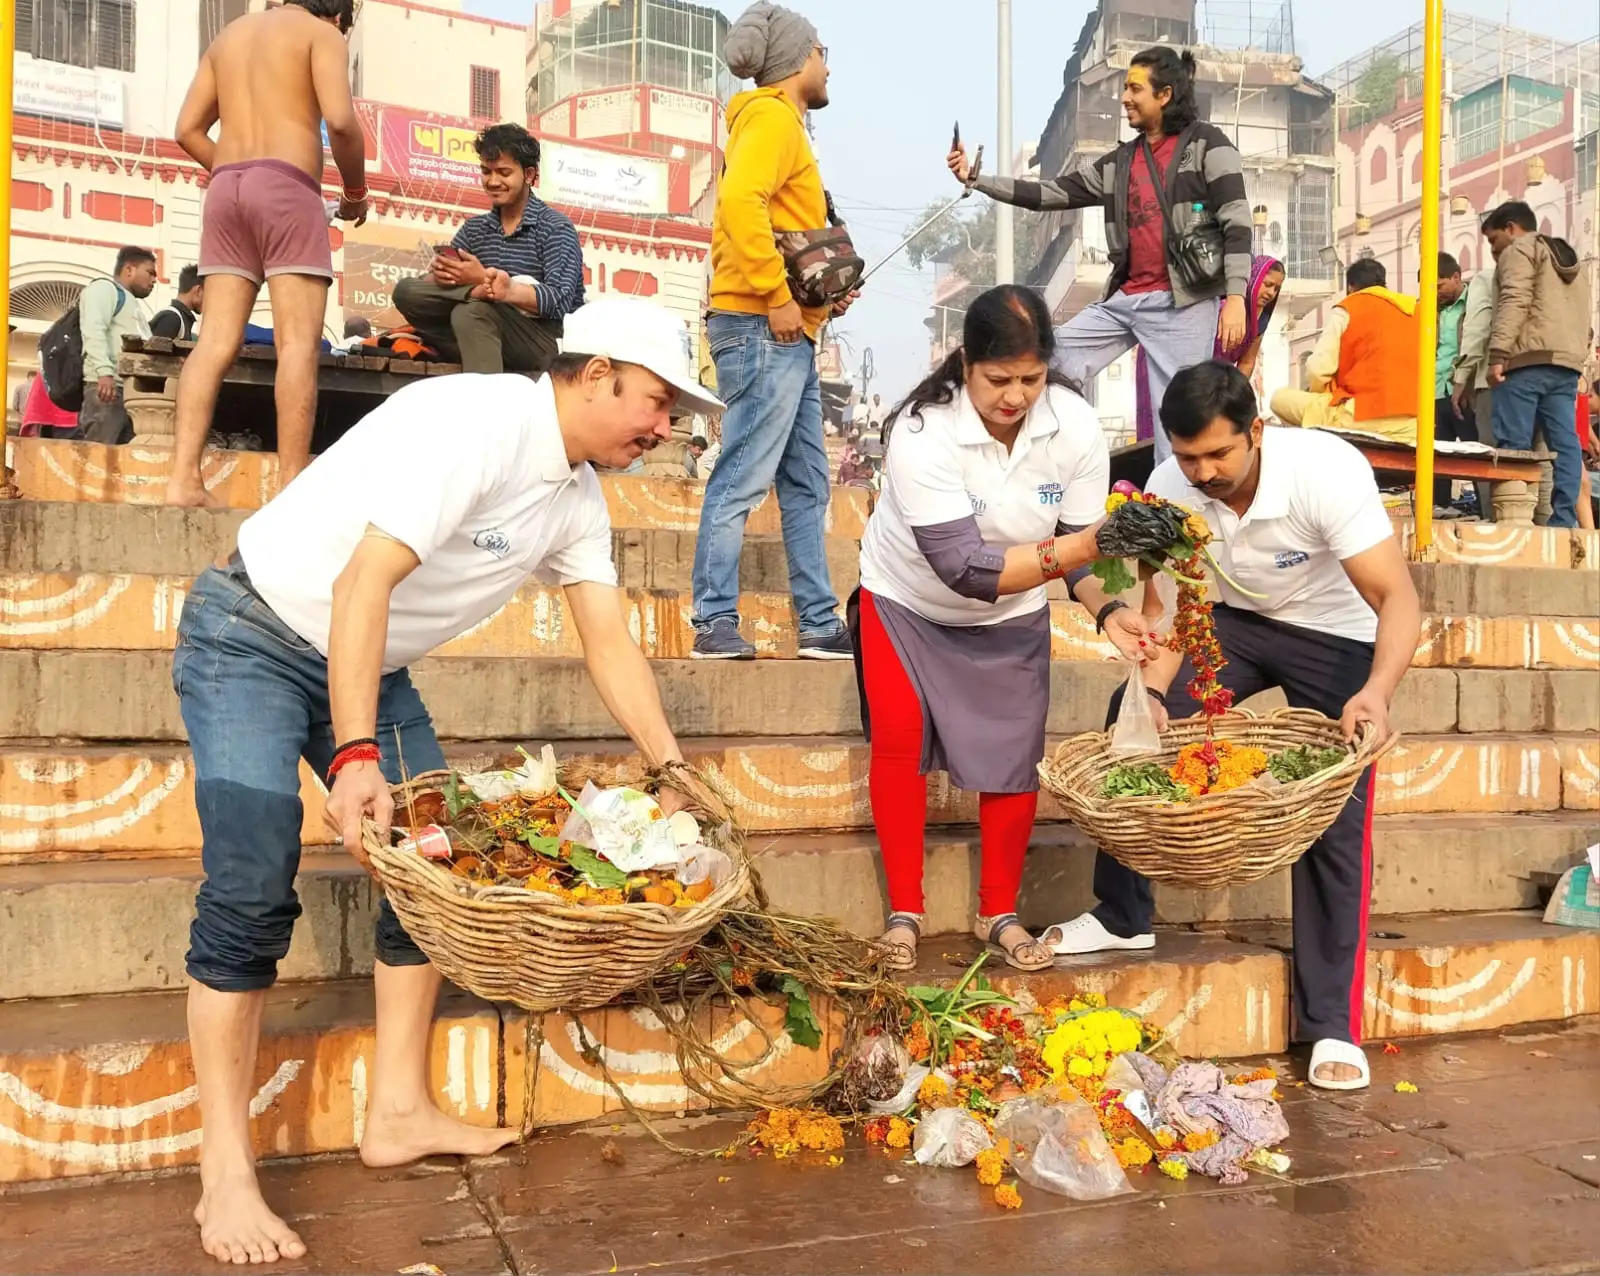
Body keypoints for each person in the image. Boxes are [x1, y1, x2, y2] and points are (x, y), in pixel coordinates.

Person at [170, 296, 721, 1266]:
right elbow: (360, 584)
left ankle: (397, 1108)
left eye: (673, 413)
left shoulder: (576, 498)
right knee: (251, 888)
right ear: (595, 375)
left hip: (364, 660)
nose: (662, 427)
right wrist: (354, 755)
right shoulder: (483, 424)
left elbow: (606, 641)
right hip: (252, 635)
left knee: (435, 871)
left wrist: (671, 766)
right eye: (654, 403)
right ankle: (225, 1167)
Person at [1047, 361, 1421, 1092]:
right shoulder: (1168, 488)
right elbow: (1172, 610)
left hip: (1336, 635)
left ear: (1257, 430)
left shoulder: (1325, 472)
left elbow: (1397, 598)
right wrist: (1151, 694)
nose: (1204, 472)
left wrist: (1378, 692)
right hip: (1229, 625)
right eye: (1189, 457)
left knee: (1339, 805)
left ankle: (1331, 1024)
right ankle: (1124, 913)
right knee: (1133, 730)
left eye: (1219, 454)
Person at [856, 285, 1136, 972]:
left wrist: (1111, 611)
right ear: (965, 364)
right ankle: (904, 912)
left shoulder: (1072, 427)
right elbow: (963, 569)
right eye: (998, 380)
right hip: (905, 601)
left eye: (1031, 379)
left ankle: (999, 913)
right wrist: (1074, 553)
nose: (1015, 396)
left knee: (1013, 759)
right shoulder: (923, 433)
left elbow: (1080, 548)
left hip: (1013, 612)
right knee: (898, 742)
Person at [947, 46, 1253, 466]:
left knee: (1181, 419)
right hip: (1125, 300)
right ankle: (1038, 462)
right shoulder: (1122, 161)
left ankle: (1178, 518)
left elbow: (1236, 219)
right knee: (1047, 358)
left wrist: (1235, 297)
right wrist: (978, 180)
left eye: (1134, 88)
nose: (1125, 97)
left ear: (1164, 95)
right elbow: (1051, 193)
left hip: (1185, 303)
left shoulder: (1208, 145)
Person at [690, 2, 856, 660]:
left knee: (809, 482)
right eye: (821, 51)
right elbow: (738, 203)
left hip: (787, 330)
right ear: (796, 62)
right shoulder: (771, 118)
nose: (827, 64)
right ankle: (712, 621)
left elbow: (777, 222)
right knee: (742, 475)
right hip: (763, 325)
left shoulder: (782, 124)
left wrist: (815, 296)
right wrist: (778, 295)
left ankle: (818, 623)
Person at [164, 0, 369, 507]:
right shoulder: (322, 36)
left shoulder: (230, 36)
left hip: (226, 189)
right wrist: (356, 192)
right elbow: (341, 122)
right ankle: (291, 489)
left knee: (213, 343)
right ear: (340, 15)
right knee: (297, 344)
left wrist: (238, 170)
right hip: (288, 187)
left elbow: (187, 129)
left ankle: (182, 480)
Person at [393, 124, 584, 376]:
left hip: (542, 343)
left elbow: (559, 301)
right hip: (475, 332)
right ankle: (476, 293)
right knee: (406, 290)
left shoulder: (555, 228)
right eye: (486, 171)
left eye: (504, 173)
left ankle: (487, 406)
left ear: (529, 175)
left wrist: (502, 288)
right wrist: (445, 275)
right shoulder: (475, 229)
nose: (493, 181)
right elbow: (426, 294)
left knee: (472, 312)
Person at [1482, 200, 1592, 529]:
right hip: (1565, 364)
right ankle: (1563, 522)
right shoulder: (1572, 260)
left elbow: (1514, 299)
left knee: (1514, 444)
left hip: (1525, 362)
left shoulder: (1520, 251)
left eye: (1493, 240)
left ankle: (1515, 524)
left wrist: (1498, 353)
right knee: (1566, 444)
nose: (1493, 251)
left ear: (1512, 228)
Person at [1269, 258, 1420, 443]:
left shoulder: (1349, 307)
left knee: (1278, 399)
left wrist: (1321, 395)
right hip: (1414, 424)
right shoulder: (1416, 310)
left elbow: (1318, 370)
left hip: (1359, 417)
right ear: (1384, 284)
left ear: (1350, 287)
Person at [1136, 254, 1283, 443]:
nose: (1271, 293)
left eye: (1276, 288)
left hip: (1206, 379)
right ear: (1252, 279)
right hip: (1172, 362)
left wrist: (1231, 395)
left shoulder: (1261, 319)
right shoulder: (1222, 309)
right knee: (1166, 430)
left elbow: (1247, 361)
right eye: (1268, 284)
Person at [76, 246, 157, 443]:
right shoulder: (104, 289)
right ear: (129, 270)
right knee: (99, 459)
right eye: (150, 272)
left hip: (128, 393)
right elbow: (93, 330)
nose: (154, 280)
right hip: (107, 389)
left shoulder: (132, 303)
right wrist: (104, 373)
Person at [1449, 258, 1498, 519]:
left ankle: (1497, 520)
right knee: (1540, 461)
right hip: (1543, 375)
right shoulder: (1548, 276)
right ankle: (1547, 530)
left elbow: (1476, 333)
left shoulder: (1486, 279)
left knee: (1492, 455)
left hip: (1491, 381)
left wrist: (1461, 381)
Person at [1428, 252, 1470, 517]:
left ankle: (1486, 510)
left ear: (1456, 277)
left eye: (1440, 286)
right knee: (1435, 457)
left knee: (1473, 452)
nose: (1437, 293)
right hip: (1433, 392)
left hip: (1464, 391)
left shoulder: (1474, 305)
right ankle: (1437, 510)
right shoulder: (1429, 310)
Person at [151, 264, 205, 341]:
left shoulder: (179, 318)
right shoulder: (171, 318)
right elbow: (155, 352)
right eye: (208, 294)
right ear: (198, 291)